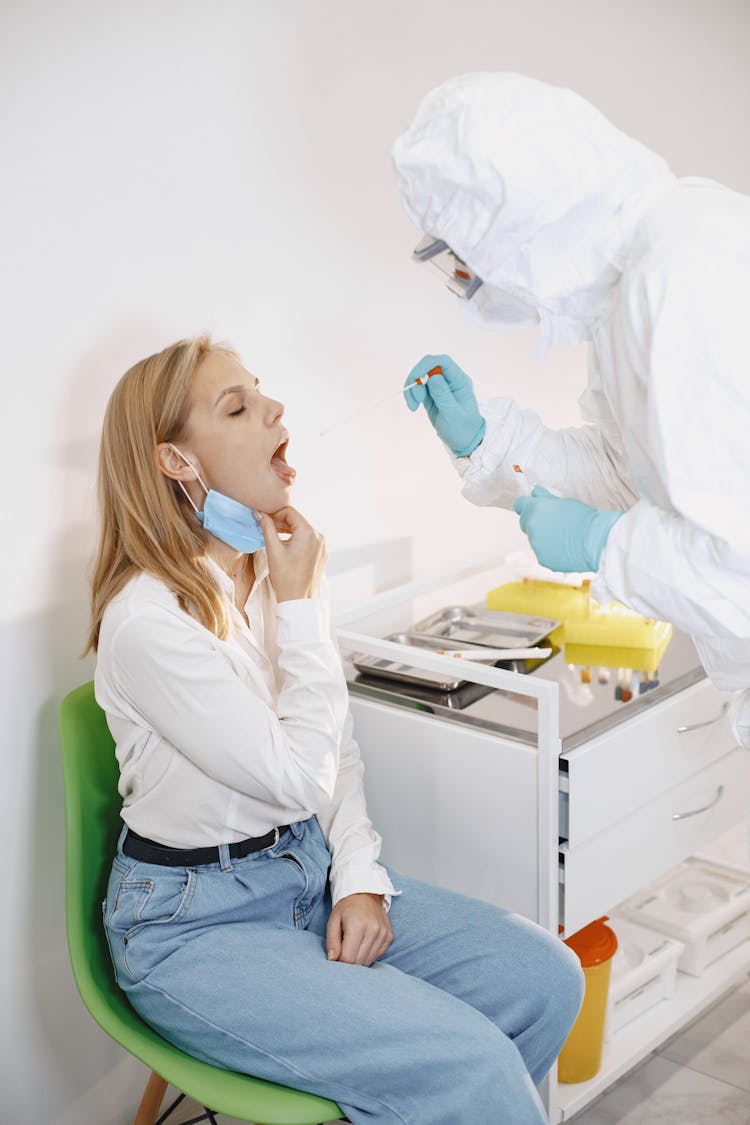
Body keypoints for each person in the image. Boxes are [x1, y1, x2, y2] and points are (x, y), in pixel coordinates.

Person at [87, 336, 583, 1125]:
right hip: (194, 924)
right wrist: (303, 605)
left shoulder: (268, 573)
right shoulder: (150, 622)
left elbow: (334, 747)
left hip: (302, 868)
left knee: (547, 979)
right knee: (472, 1066)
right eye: (238, 406)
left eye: (263, 391)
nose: (274, 410)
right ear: (177, 463)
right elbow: (296, 774)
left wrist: (356, 876)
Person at [393, 72, 750, 749]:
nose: (467, 280)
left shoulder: (681, 281)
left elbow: (738, 564)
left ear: (522, 228)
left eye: (464, 254)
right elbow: (633, 477)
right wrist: (486, 438)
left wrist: (601, 543)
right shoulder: (640, 278)